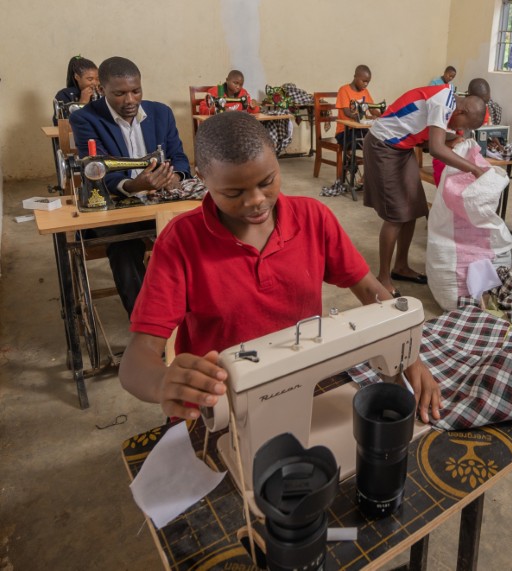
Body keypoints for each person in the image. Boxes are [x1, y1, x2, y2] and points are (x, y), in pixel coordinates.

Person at [118, 112, 441, 423]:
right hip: (222, 403)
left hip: (300, 381)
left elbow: (370, 290)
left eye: (267, 181)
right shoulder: (181, 242)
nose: (256, 200)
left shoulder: (312, 219)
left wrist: (408, 354)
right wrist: (163, 383)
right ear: (203, 178)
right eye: (234, 193)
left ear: (276, 160)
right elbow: (136, 361)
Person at [70, 56, 191, 318]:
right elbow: (97, 170)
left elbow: (179, 157)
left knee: (194, 235)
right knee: (123, 247)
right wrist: (133, 185)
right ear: (102, 90)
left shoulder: (161, 113)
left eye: (136, 91)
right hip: (117, 202)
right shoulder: (85, 119)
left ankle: (191, 316)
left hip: (161, 199)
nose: (130, 101)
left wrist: (176, 177)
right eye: (120, 94)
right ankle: (147, 326)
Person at [363, 85, 488, 297]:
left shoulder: (449, 101)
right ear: (461, 112)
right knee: (395, 215)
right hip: (383, 146)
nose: (458, 129)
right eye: (462, 125)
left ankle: (401, 266)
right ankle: (383, 278)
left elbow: (432, 135)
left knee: (413, 208)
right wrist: (474, 169)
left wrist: (453, 140)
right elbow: (437, 149)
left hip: (402, 149)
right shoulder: (442, 103)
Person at [335, 64, 381, 147]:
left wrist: (383, 116)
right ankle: (358, 158)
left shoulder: (365, 91)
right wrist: (360, 117)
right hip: (344, 132)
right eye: (363, 81)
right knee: (366, 140)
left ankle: (369, 159)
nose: (366, 84)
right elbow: (347, 112)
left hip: (360, 129)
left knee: (376, 138)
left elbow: (372, 109)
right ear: (355, 77)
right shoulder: (344, 90)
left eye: (368, 82)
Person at [53, 56, 99, 123]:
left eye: (97, 79)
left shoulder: (101, 93)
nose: (95, 83)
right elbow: (58, 123)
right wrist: (82, 102)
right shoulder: (64, 95)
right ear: (77, 77)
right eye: (90, 79)